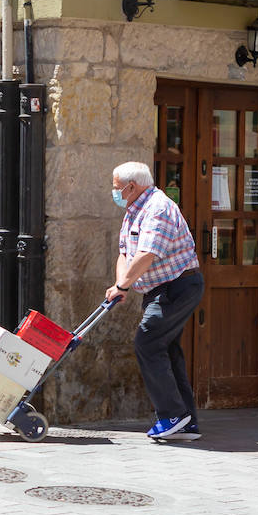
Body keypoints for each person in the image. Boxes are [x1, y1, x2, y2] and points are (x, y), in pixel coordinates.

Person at [105, 161, 205, 441]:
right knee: (166, 349)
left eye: (116, 188)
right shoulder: (134, 210)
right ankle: (186, 422)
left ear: (131, 187)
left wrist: (124, 284)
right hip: (161, 289)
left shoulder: (158, 208)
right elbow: (125, 253)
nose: (113, 193)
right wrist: (120, 285)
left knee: (147, 340)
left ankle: (172, 414)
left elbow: (147, 254)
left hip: (178, 286)